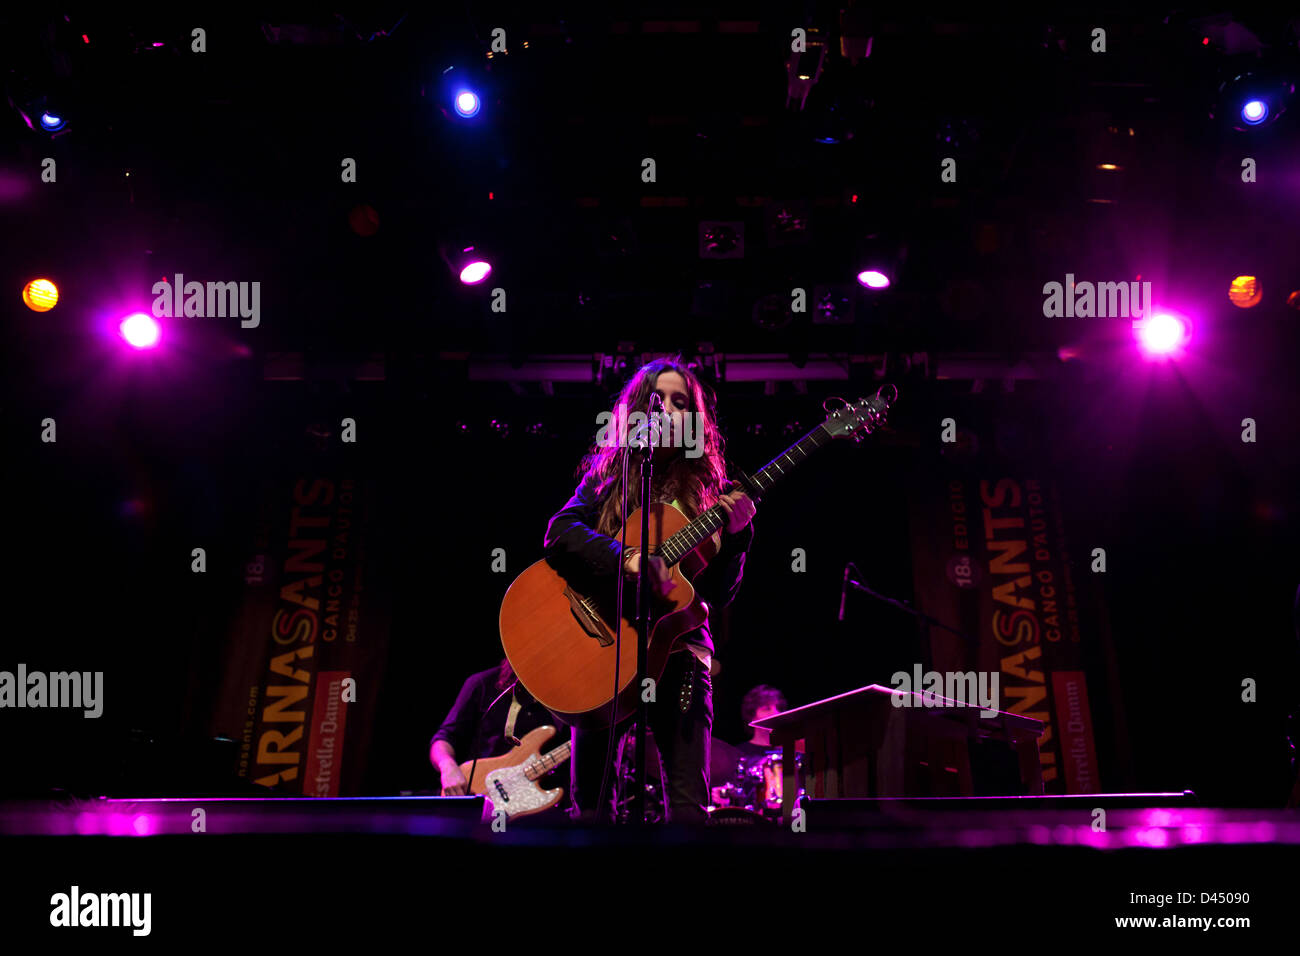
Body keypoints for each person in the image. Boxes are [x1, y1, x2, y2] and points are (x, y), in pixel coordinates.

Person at [543, 356, 756, 822]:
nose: (666, 409)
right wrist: (627, 557)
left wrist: (738, 538)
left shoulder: (706, 494)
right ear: (636, 411)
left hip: (680, 656)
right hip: (603, 653)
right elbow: (559, 533)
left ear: (694, 422)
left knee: (686, 807)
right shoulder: (608, 477)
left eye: (680, 402)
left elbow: (720, 595)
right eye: (656, 399)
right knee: (591, 810)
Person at [428, 657, 565, 802]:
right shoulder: (482, 684)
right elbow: (443, 740)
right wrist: (448, 767)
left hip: (542, 809)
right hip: (480, 797)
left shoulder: (564, 693)